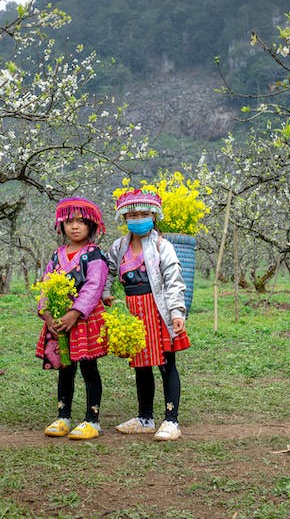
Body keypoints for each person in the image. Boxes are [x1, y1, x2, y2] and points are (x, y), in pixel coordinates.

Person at [104, 189, 190, 441]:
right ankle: (145, 418)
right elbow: (107, 272)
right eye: (132, 214)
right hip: (132, 314)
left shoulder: (163, 246)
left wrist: (177, 312)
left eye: (143, 213)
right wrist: (107, 294)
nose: (138, 218)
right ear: (124, 218)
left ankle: (171, 420)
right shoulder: (119, 247)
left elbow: (173, 281)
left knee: (166, 364)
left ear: (154, 216)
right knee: (141, 366)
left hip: (157, 311)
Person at [35, 197, 109, 440]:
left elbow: (94, 286)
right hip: (58, 322)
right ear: (61, 225)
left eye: (80, 222)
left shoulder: (94, 254)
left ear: (91, 226)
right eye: (69, 222)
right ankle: (63, 416)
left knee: (89, 368)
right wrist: (47, 314)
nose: (74, 227)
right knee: (64, 368)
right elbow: (46, 285)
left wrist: (74, 313)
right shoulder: (57, 256)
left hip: (83, 321)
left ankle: (92, 419)